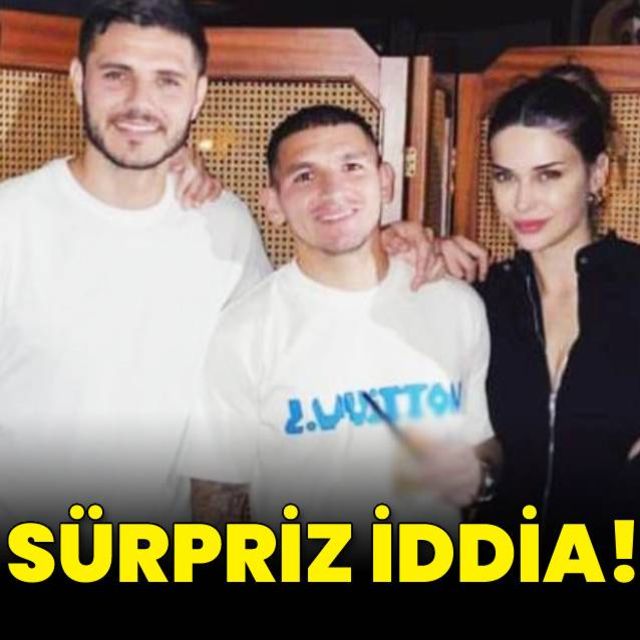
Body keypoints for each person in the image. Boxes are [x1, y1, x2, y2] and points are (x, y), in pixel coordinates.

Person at [0, 0, 437, 530]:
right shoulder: (12, 222)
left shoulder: (224, 225)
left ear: (198, 96)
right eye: (116, 75)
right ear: (78, 81)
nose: (140, 102)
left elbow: (298, 333)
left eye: (167, 81)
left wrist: (387, 247)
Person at [180, 105, 495, 551]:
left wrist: (480, 477)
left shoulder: (456, 306)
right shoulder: (244, 331)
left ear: (385, 181)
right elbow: (217, 497)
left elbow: (482, 443)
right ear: (273, 204)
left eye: (352, 167)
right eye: (305, 176)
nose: (333, 190)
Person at [436, 64, 640, 551]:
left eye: (548, 175)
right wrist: (402, 243)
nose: (522, 202)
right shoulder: (480, 300)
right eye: (505, 177)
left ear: (597, 173)